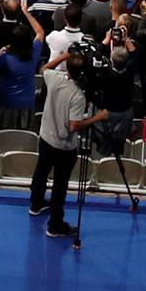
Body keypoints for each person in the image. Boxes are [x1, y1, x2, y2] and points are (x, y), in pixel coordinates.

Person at [30, 53, 103, 239]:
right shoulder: (78, 96)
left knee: (41, 170)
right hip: (63, 147)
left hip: (46, 137)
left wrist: (64, 56)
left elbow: (44, 68)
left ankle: (36, 204)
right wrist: (97, 117)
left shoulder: (54, 78)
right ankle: (55, 225)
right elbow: (74, 126)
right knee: (59, 185)